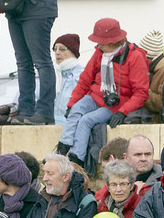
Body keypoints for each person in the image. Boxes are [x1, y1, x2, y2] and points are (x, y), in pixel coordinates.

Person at [59, 19, 149, 169]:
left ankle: (76, 160)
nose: (98, 45)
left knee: (86, 120)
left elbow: (141, 93)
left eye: (101, 42)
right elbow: (85, 80)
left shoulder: (135, 57)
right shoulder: (100, 53)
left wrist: (122, 112)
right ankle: (62, 148)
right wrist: (71, 104)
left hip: (116, 105)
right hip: (95, 97)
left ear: (113, 42)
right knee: (76, 110)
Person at [51, 34, 82, 126]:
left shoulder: (82, 75)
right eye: (55, 49)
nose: (57, 52)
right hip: (50, 128)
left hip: (72, 127)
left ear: (73, 51)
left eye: (62, 49)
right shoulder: (52, 75)